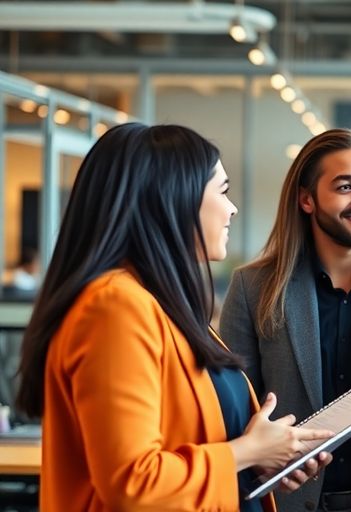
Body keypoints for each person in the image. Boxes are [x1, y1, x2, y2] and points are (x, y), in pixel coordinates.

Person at [15, 123, 332, 511]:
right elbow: (133, 482)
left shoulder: (161, 304)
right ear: (175, 201)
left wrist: (263, 460)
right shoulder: (115, 307)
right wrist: (245, 453)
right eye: (223, 191)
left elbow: (186, 441)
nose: (232, 208)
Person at [220, 128, 351, 512]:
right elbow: (232, 411)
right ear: (306, 200)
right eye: (346, 187)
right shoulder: (253, 287)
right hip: (288, 500)